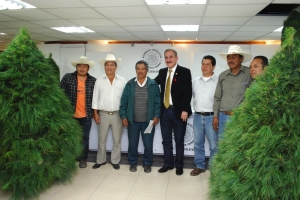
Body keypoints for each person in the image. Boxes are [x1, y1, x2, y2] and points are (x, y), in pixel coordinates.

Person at [155, 49, 192, 176]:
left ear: (177, 58)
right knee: (166, 140)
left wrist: (185, 110)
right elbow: (153, 84)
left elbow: (188, 92)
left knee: (179, 140)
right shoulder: (162, 72)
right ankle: (168, 164)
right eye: (166, 57)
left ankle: (179, 166)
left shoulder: (185, 72)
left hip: (179, 112)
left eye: (171, 57)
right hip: (164, 111)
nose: (168, 59)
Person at [119, 60, 161, 173]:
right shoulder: (130, 84)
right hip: (133, 122)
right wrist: (123, 116)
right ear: (136, 70)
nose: (140, 71)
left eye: (143, 69)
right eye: (138, 69)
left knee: (148, 144)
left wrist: (156, 116)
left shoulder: (153, 84)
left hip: (148, 122)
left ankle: (147, 164)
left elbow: (158, 102)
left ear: (147, 70)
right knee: (132, 144)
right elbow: (124, 102)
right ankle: (133, 163)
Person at [60, 56, 96, 168]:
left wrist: (95, 113)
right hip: (71, 116)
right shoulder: (67, 78)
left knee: (85, 139)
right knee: (69, 138)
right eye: (80, 66)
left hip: (86, 116)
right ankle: (69, 159)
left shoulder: (93, 81)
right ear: (76, 67)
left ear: (88, 68)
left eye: (84, 66)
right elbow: (60, 94)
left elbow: (96, 99)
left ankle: (83, 159)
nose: (82, 68)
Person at [92, 54, 126, 170]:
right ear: (104, 67)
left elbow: (125, 99)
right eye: (107, 65)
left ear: (116, 67)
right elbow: (95, 98)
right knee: (101, 140)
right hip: (103, 114)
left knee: (117, 140)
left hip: (117, 115)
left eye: (112, 65)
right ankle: (100, 160)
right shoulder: (99, 81)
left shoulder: (122, 81)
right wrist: (95, 113)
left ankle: (115, 161)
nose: (109, 67)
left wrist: (124, 115)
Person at [213, 45, 252, 138]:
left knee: (238, 146)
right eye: (229, 58)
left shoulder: (249, 73)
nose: (231, 60)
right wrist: (215, 116)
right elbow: (217, 97)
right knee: (222, 145)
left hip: (240, 117)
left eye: (234, 57)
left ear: (241, 59)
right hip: (223, 116)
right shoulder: (222, 76)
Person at [190, 55, 218, 176]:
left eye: (208, 64)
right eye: (203, 64)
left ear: (213, 66)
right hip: (197, 116)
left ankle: (214, 167)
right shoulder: (195, 81)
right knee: (197, 144)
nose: (204, 67)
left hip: (212, 117)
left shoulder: (218, 81)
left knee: (214, 144)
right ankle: (199, 166)